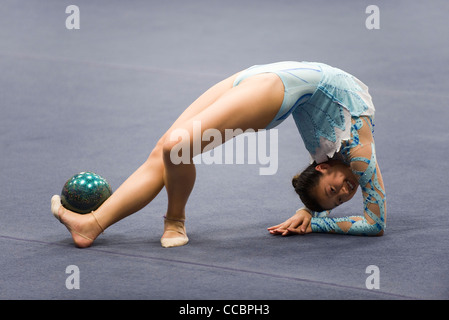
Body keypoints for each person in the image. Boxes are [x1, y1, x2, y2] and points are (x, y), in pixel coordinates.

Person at [51, 61, 386, 248]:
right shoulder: (360, 155)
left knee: (173, 148)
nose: (346, 192)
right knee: (169, 148)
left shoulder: (331, 158)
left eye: (337, 199)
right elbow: (374, 224)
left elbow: (324, 185)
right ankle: (173, 223)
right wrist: (317, 223)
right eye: (336, 191)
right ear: (323, 168)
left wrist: (314, 215)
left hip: (273, 80)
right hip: (272, 85)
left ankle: (91, 225)